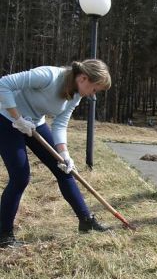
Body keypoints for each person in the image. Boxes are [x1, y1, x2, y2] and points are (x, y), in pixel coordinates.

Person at [0, 60, 113, 248]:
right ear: (84, 78)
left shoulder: (76, 94)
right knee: (20, 177)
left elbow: (60, 124)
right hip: (5, 119)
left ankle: (86, 221)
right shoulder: (48, 76)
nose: (94, 95)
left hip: (34, 123)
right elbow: (3, 83)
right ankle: (4, 234)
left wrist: (65, 154)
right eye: (95, 89)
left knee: (64, 169)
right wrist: (17, 117)